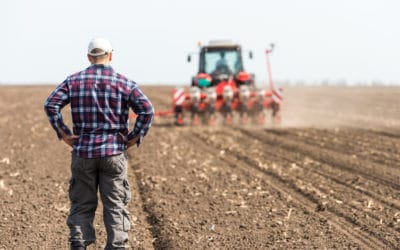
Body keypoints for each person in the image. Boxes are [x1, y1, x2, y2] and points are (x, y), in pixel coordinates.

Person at [44, 37, 154, 249]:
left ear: (88, 57)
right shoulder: (125, 83)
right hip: (114, 153)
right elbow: (147, 110)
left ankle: (79, 243)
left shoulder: (73, 81)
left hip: (83, 153)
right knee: (115, 206)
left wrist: (65, 134)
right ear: (111, 56)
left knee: (82, 204)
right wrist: (134, 137)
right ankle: (117, 245)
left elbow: (51, 104)